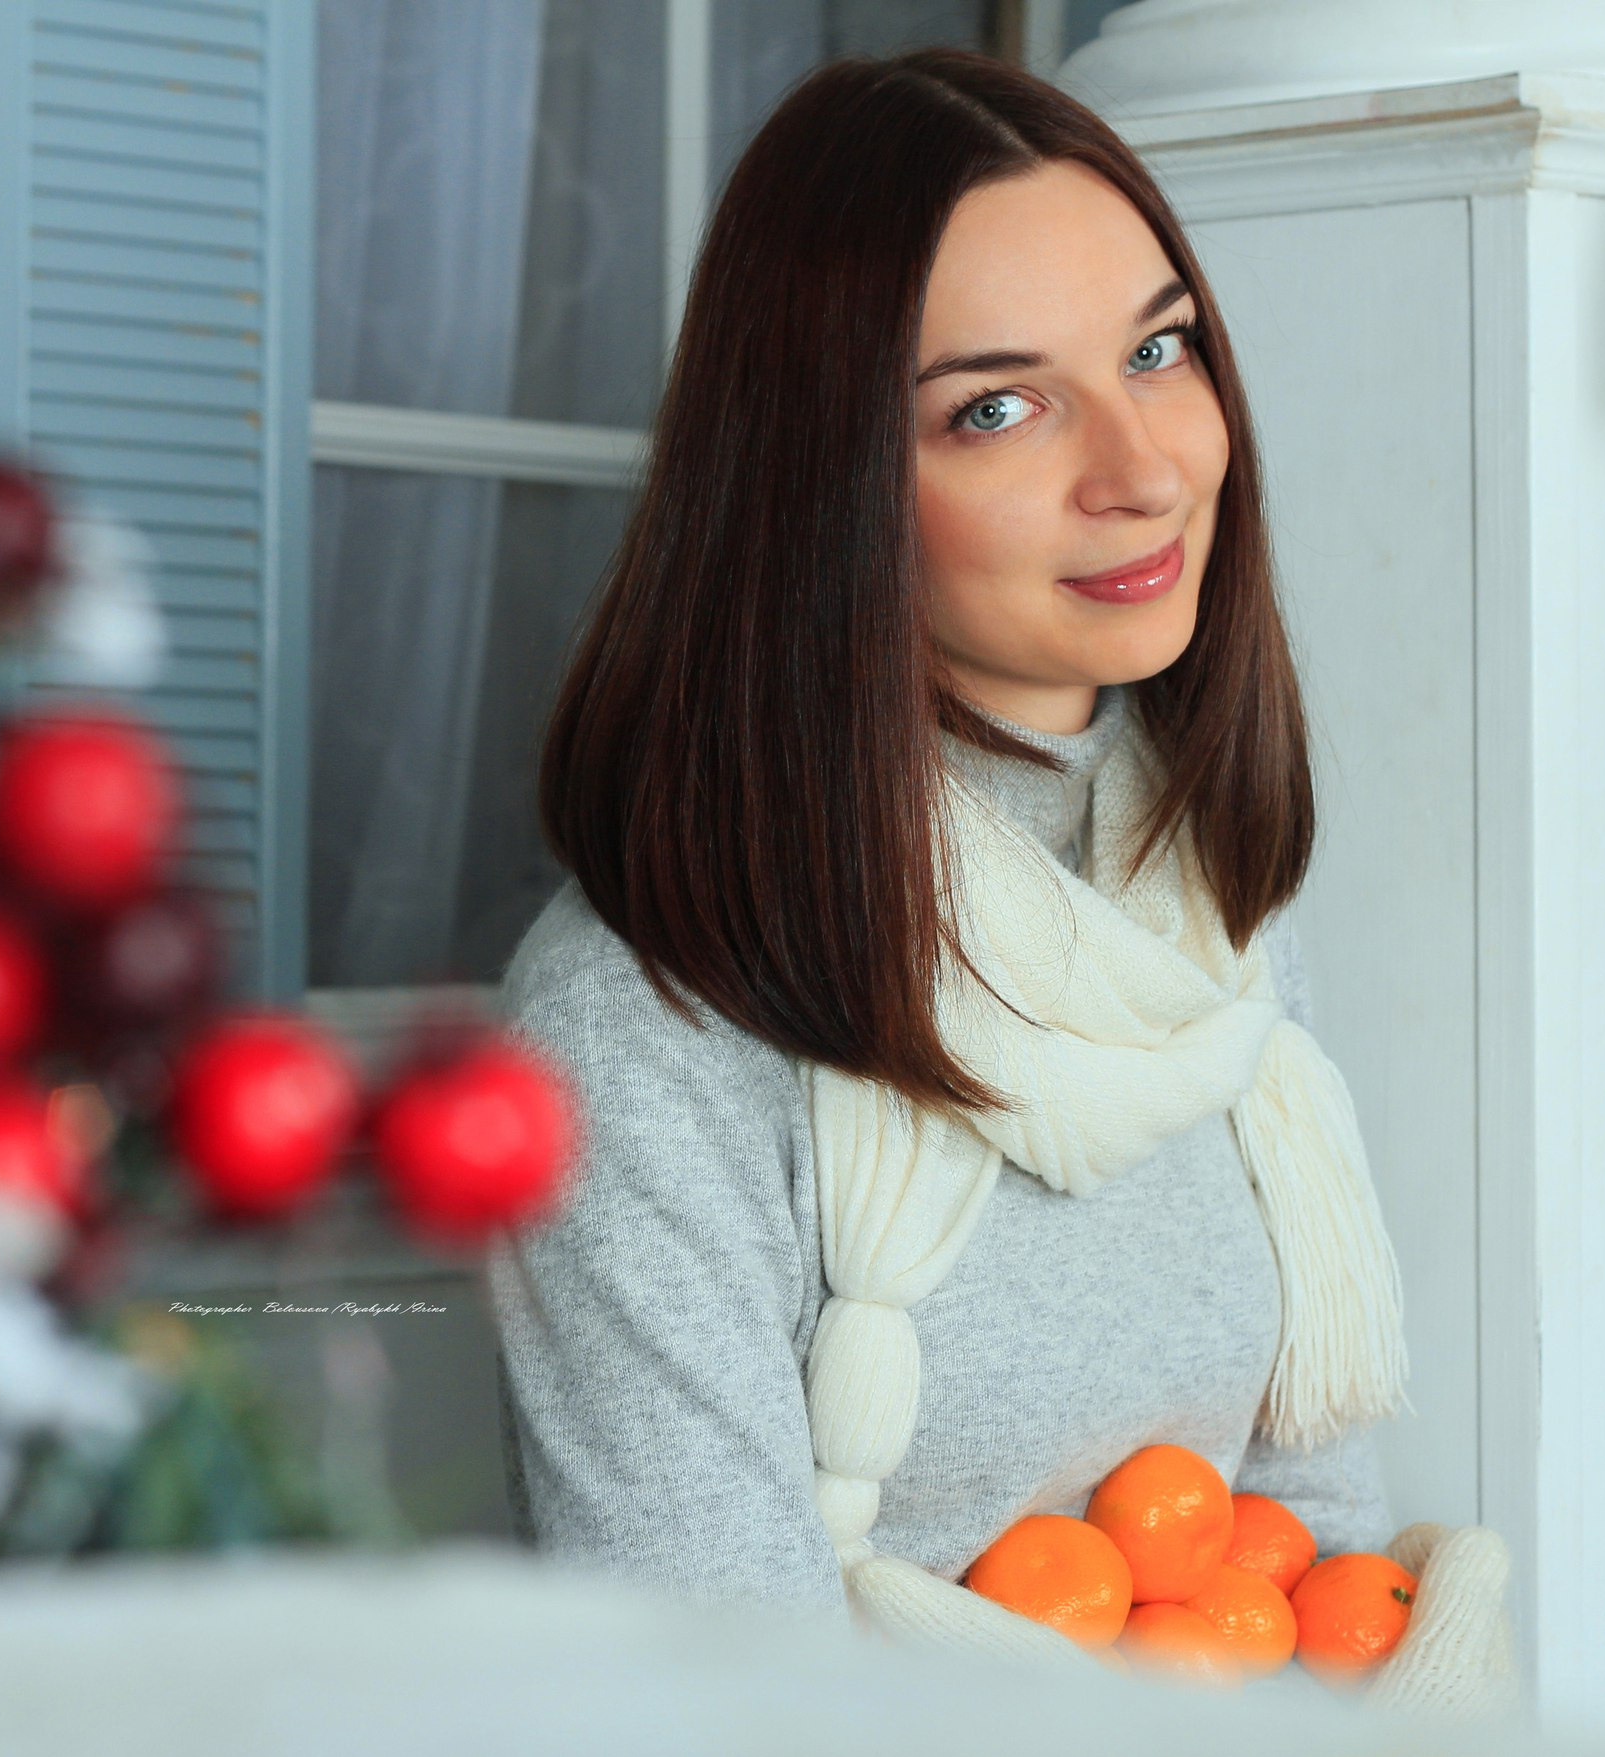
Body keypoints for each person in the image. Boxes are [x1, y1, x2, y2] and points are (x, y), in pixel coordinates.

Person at [482, 46, 1518, 1721]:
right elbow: (716, 1703)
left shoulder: (1202, 903)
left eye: (1159, 350)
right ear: (824, 488)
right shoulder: (649, 1018)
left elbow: (1304, 1532)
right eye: (996, 405)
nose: (1145, 466)